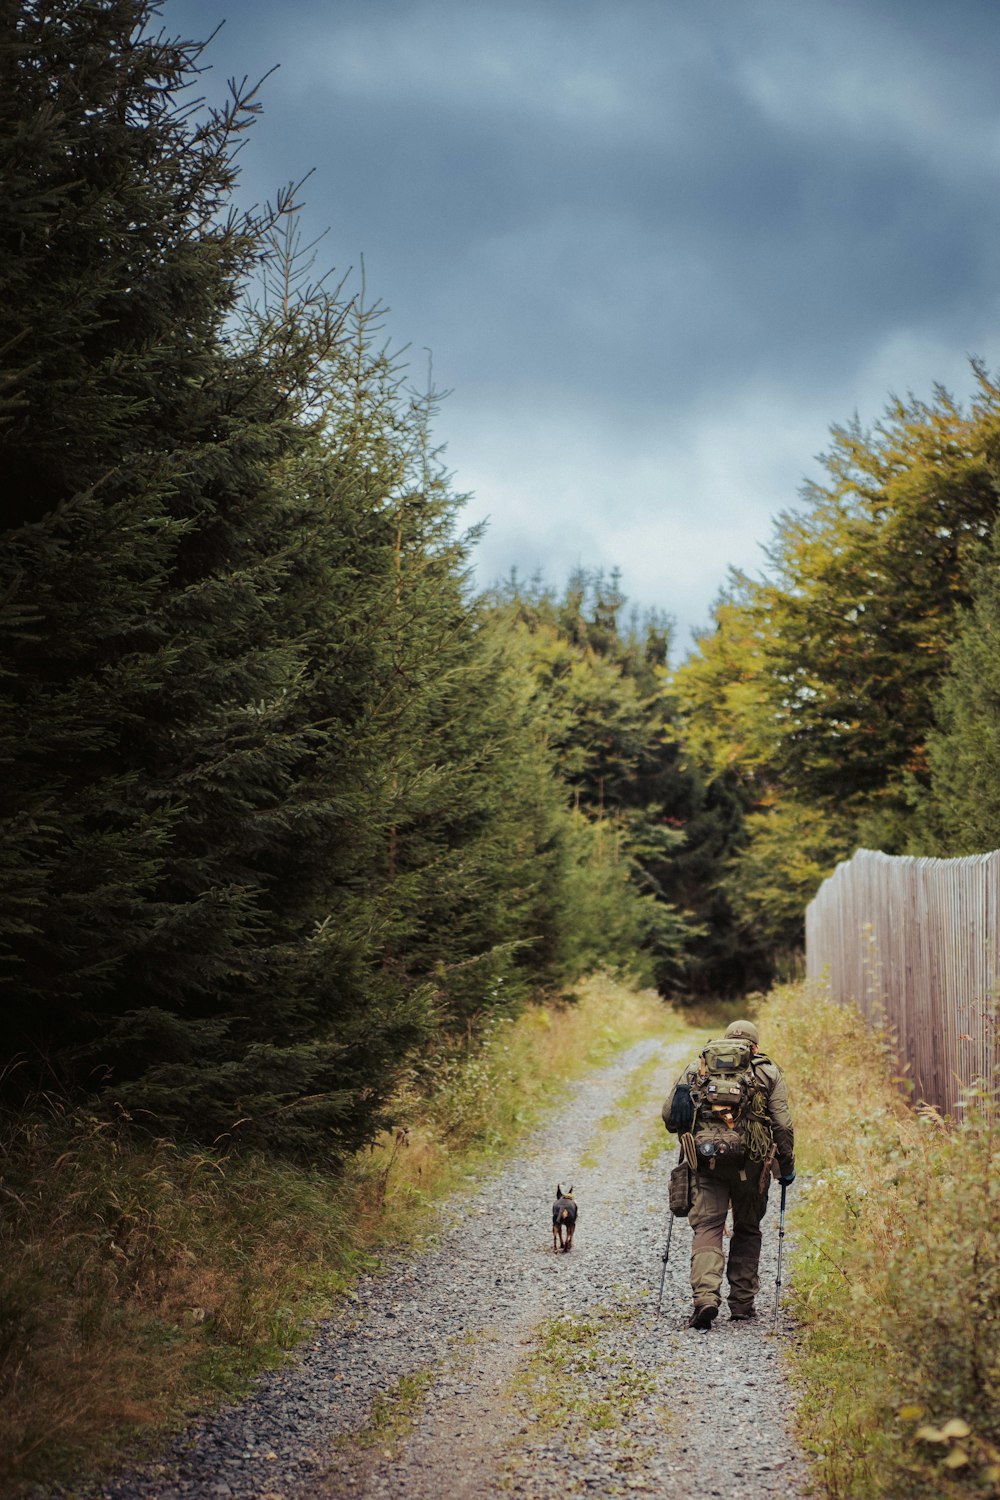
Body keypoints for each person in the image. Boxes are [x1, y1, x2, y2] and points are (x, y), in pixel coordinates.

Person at [662, 1019, 794, 1329]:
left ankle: (706, 1298)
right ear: (755, 1047)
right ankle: (742, 1304)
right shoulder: (768, 1072)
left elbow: (670, 1117)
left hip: (706, 1163)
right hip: (752, 1166)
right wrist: (786, 1168)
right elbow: (783, 1126)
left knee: (708, 1225)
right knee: (747, 1228)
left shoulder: (699, 1069)